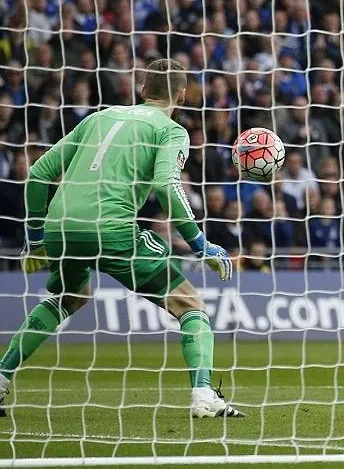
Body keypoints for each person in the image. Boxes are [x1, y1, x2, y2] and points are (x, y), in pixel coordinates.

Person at [0, 59, 243, 419]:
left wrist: (36, 237)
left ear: (143, 90)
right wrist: (199, 244)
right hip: (112, 230)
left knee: (69, 296)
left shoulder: (99, 117)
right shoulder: (171, 130)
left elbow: (37, 173)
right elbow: (166, 185)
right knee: (189, 305)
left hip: (61, 227)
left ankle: (1, 378)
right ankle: (204, 396)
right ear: (182, 95)